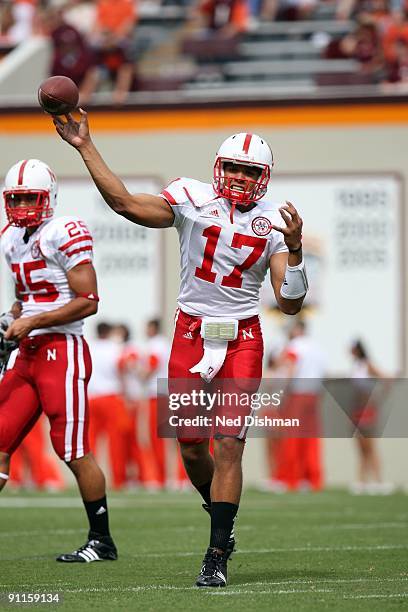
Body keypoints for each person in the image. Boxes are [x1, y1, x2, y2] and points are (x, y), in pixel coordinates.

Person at [52, 113, 307, 587]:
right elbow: (127, 204)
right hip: (191, 334)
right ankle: (220, 513)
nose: (241, 178)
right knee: (192, 448)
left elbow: (289, 304)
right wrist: (85, 145)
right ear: (217, 167)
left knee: (229, 443)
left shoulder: (274, 222)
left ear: (265, 178)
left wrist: (293, 250)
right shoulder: (190, 197)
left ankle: (216, 551)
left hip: (242, 337)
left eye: (251, 171)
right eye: (234, 167)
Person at [0, 158, 117, 563]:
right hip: (27, 351)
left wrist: (33, 320)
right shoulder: (9, 237)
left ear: (47, 197)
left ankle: (101, 540)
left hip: (61, 350)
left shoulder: (64, 231)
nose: (21, 207)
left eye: (29, 198)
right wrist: (12, 319)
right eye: (14, 199)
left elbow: (88, 302)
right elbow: (24, 295)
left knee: (71, 449)